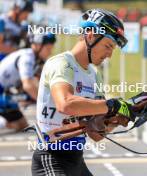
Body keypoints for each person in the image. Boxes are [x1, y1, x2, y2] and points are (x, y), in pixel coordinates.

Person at [31, 9, 138, 176]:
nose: (109, 54)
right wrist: (111, 105)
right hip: (51, 158)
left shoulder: (94, 74)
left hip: (77, 161)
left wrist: (122, 116)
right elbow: (65, 103)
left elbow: (96, 134)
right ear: (90, 36)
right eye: (108, 46)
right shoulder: (62, 64)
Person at [0, 32, 56, 131]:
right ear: (38, 45)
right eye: (48, 48)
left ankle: (4, 122)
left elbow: (43, 83)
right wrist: (50, 104)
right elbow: (28, 86)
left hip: (4, 92)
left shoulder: (36, 59)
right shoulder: (27, 57)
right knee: (29, 96)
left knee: (23, 126)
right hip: (3, 93)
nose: (50, 52)